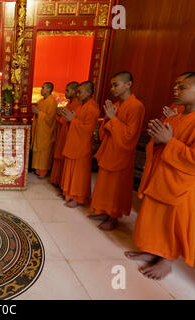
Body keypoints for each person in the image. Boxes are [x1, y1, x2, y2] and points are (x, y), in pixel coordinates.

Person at [125, 72, 195, 280]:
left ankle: (166, 260)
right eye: (176, 86)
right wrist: (158, 140)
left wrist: (169, 142)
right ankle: (151, 251)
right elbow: (158, 144)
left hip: (179, 185)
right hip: (159, 177)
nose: (176, 90)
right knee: (153, 218)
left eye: (182, 87)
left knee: (170, 222)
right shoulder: (175, 115)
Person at [89, 72, 145, 231]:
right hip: (109, 151)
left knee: (116, 188)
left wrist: (112, 119)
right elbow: (105, 130)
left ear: (128, 84)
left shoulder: (136, 106)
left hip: (122, 154)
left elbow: (129, 136)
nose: (112, 88)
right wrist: (108, 119)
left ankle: (113, 217)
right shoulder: (117, 105)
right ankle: (104, 211)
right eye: (111, 85)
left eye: (116, 85)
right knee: (105, 185)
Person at [60, 81, 100, 208]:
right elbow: (75, 120)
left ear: (89, 93)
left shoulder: (92, 108)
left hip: (82, 145)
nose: (78, 94)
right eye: (77, 92)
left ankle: (78, 197)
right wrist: (69, 119)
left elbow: (88, 129)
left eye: (80, 92)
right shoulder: (81, 106)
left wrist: (73, 121)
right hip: (74, 142)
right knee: (71, 169)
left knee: (79, 172)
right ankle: (69, 193)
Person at [50, 81, 81, 188]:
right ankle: (58, 182)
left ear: (75, 91)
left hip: (70, 135)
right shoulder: (70, 104)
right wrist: (59, 115)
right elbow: (64, 119)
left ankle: (62, 185)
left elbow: (72, 120)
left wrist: (61, 116)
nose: (65, 93)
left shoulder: (77, 105)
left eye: (67, 90)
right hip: (63, 133)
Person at [31, 82, 58, 178]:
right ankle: (37, 170)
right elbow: (39, 114)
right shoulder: (41, 101)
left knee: (44, 151)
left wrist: (39, 113)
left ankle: (43, 171)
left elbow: (50, 119)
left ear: (49, 89)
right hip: (40, 129)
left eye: (43, 88)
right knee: (39, 152)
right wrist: (36, 113)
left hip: (46, 131)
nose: (41, 90)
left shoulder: (52, 102)